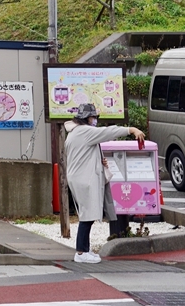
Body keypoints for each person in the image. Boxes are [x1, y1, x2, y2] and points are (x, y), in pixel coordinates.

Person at [63, 102, 145, 263]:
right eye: (93, 117)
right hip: (84, 179)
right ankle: (81, 252)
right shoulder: (85, 131)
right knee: (87, 215)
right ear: (87, 118)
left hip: (79, 177)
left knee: (88, 214)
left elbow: (84, 155)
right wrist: (131, 130)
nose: (95, 120)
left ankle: (85, 249)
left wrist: (99, 162)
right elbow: (108, 132)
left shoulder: (74, 133)